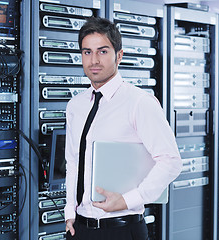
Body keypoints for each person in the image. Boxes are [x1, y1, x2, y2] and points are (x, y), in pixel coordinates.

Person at [64, 17, 182, 240]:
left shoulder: (139, 102)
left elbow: (171, 161)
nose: (94, 60)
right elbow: (73, 161)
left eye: (102, 51)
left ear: (119, 55)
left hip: (122, 229)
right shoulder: (75, 106)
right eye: (87, 52)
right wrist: (70, 210)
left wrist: (129, 200)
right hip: (79, 229)